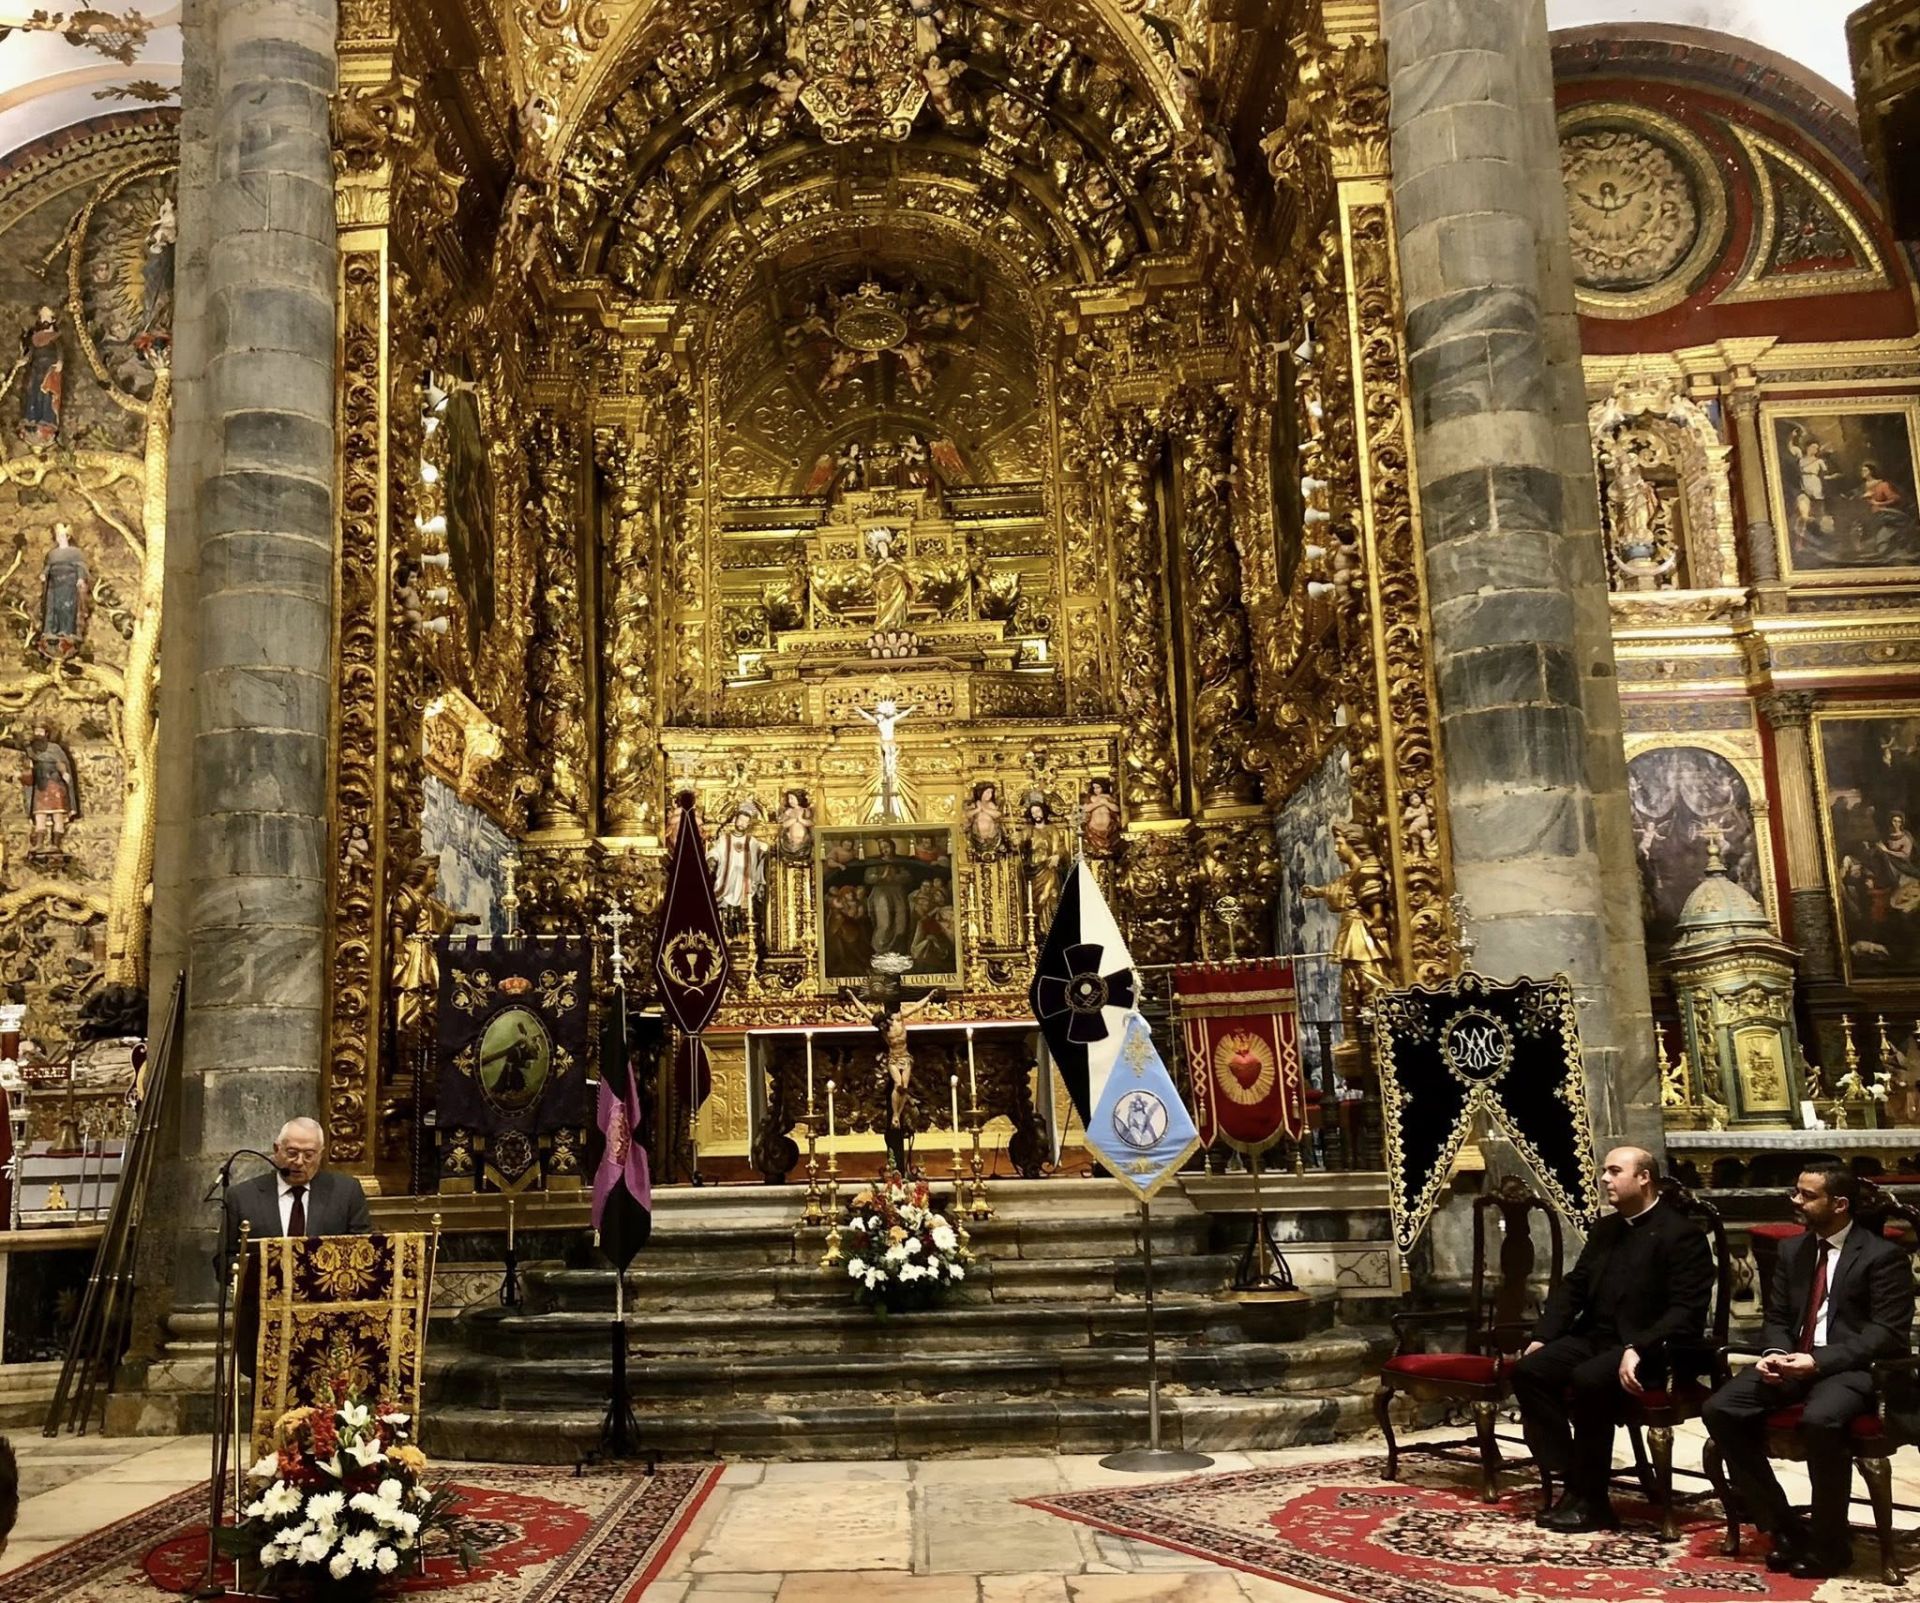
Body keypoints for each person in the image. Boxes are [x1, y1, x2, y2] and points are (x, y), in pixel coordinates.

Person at [1702, 1165, 1915, 1578]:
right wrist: (1775, 1353)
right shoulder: (1792, 1250)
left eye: (1807, 1195)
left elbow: (1886, 1333)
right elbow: (1778, 1316)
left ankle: (1831, 1545)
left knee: (1821, 1419)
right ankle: (1784, 1527)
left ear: (1840, 1204)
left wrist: (1819, 1362)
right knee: (1720, 1408)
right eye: (1796, 1191)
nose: (1795, 1201)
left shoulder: (1882, 1255)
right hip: (1794, 1361)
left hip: (1852, 1368)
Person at [1509, 1146, 1715, 1532]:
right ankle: (1576, 1478)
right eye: (1604, 1171)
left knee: (1588, 1379)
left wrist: (1639, 1347)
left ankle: (1592, 1501)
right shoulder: (1607, 1229)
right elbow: (1575, 1286)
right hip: (1596, 1338)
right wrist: (1543, 1336)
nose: (1605, 1179)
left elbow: (1686, 1311)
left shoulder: (1682, 1235)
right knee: (1529, 1371)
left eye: (1615, 1171)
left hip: (1654, 1350)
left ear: (1644, 1178)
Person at [217, 1116, 373, 1279]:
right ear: (277, 1150)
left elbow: (364, 1252)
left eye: (309, 1155)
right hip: (263, 1292)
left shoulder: (346, 1192)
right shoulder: (242, 1197)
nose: (299, 1162)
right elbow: (223, 1262)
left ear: (320, 1154)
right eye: (292, 1153)